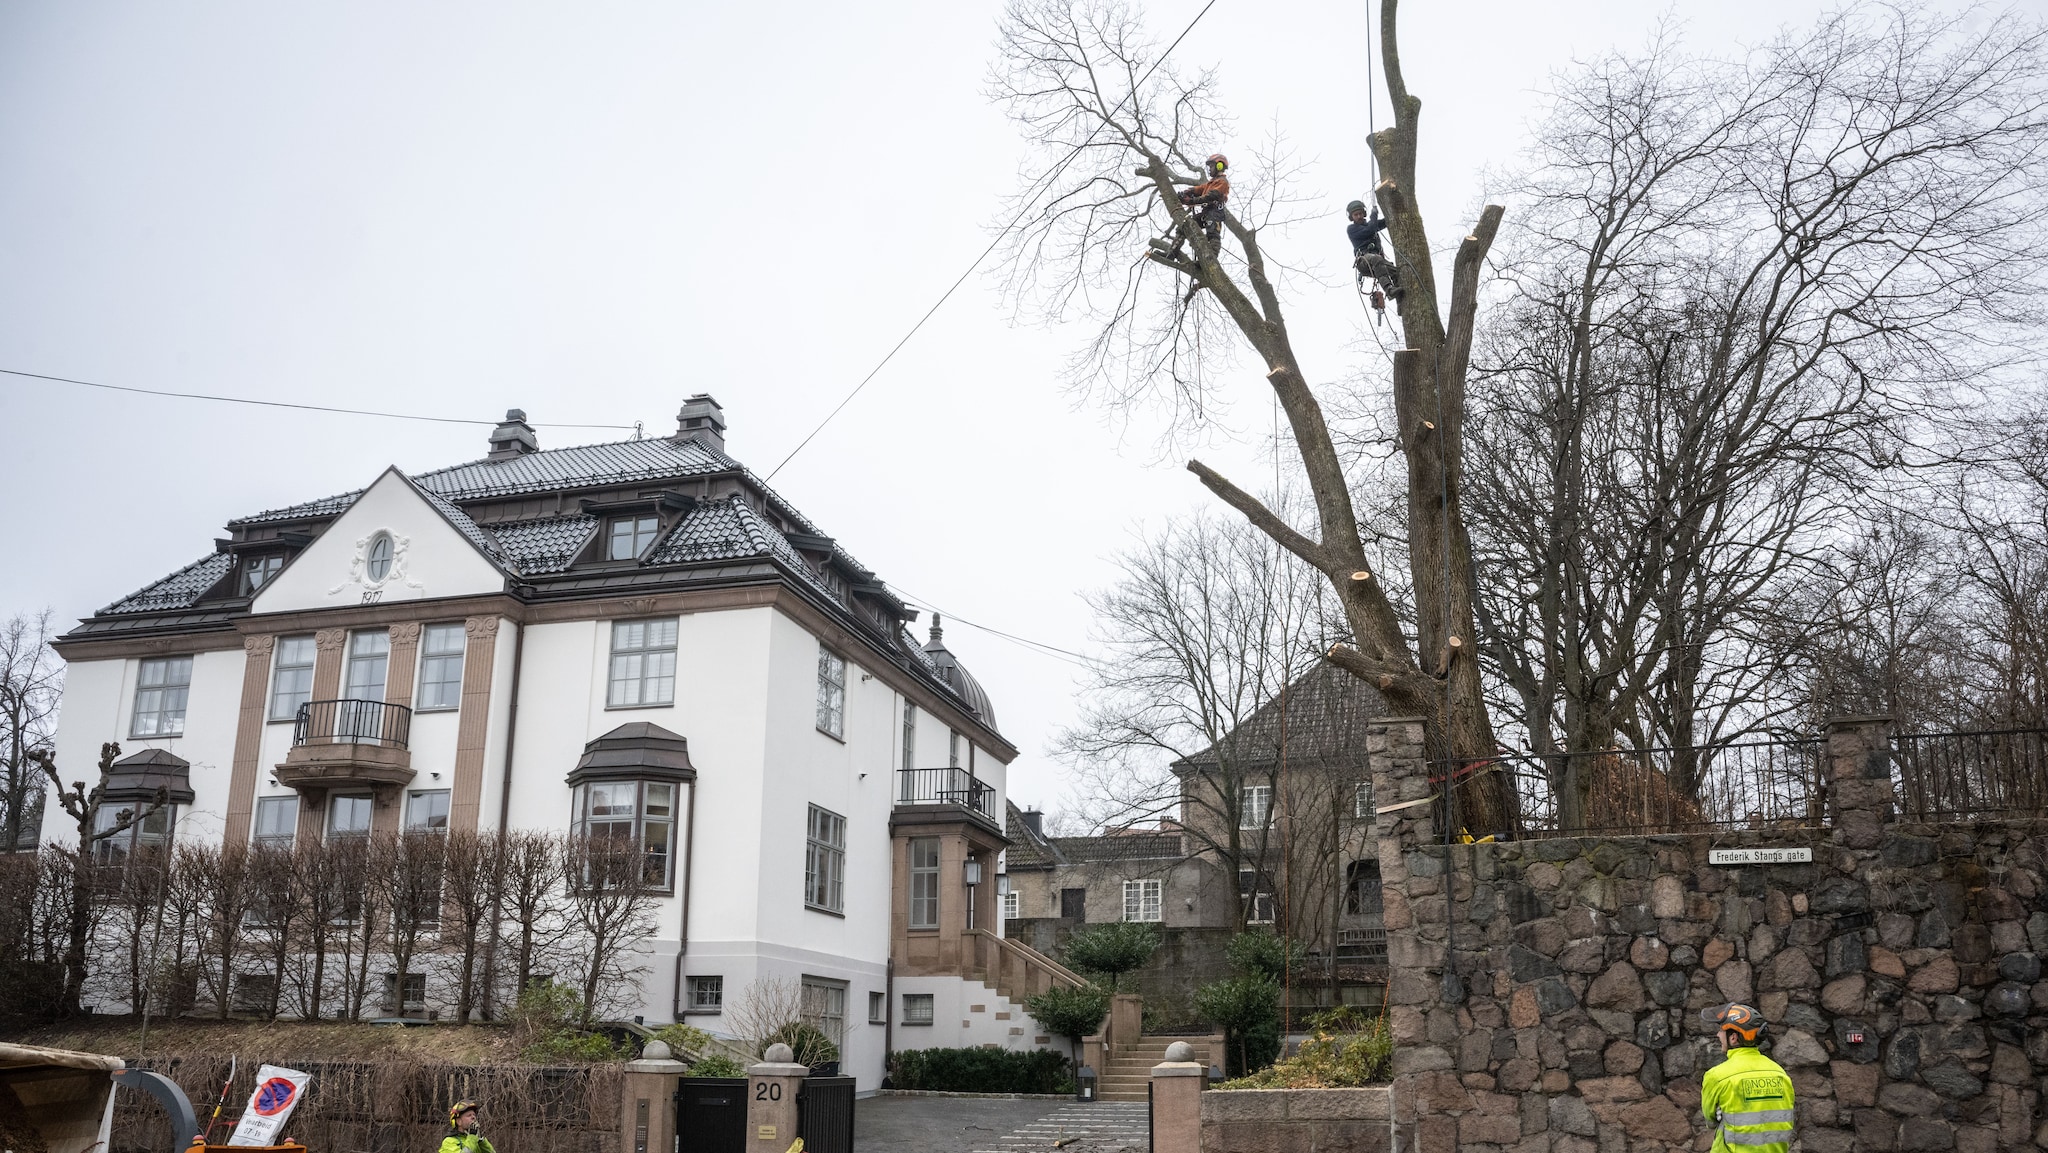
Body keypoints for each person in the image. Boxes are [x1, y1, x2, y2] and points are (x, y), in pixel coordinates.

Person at [1699, 1004, 1795, 1153]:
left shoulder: (1717, 1076)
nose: (1718, 1035)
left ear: (1733, 1038)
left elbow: (1710, 1121)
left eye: (1721, 1030)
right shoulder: (1780, 1074)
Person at [1346, 199, 1403, 307]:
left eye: (1360, 214)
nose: (1358, 216)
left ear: (1364, 214)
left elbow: (1382, 223)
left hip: (1377, 262)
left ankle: (1401, 303)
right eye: (1355, 214)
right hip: (1364, 261)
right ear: (1351, 217)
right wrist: (1374, 213)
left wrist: (1393, 213)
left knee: (1395, 272)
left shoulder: (1370, 225)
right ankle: (1389, 290)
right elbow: (1371, 228)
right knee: (1376, 258)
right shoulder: (1352, 229)